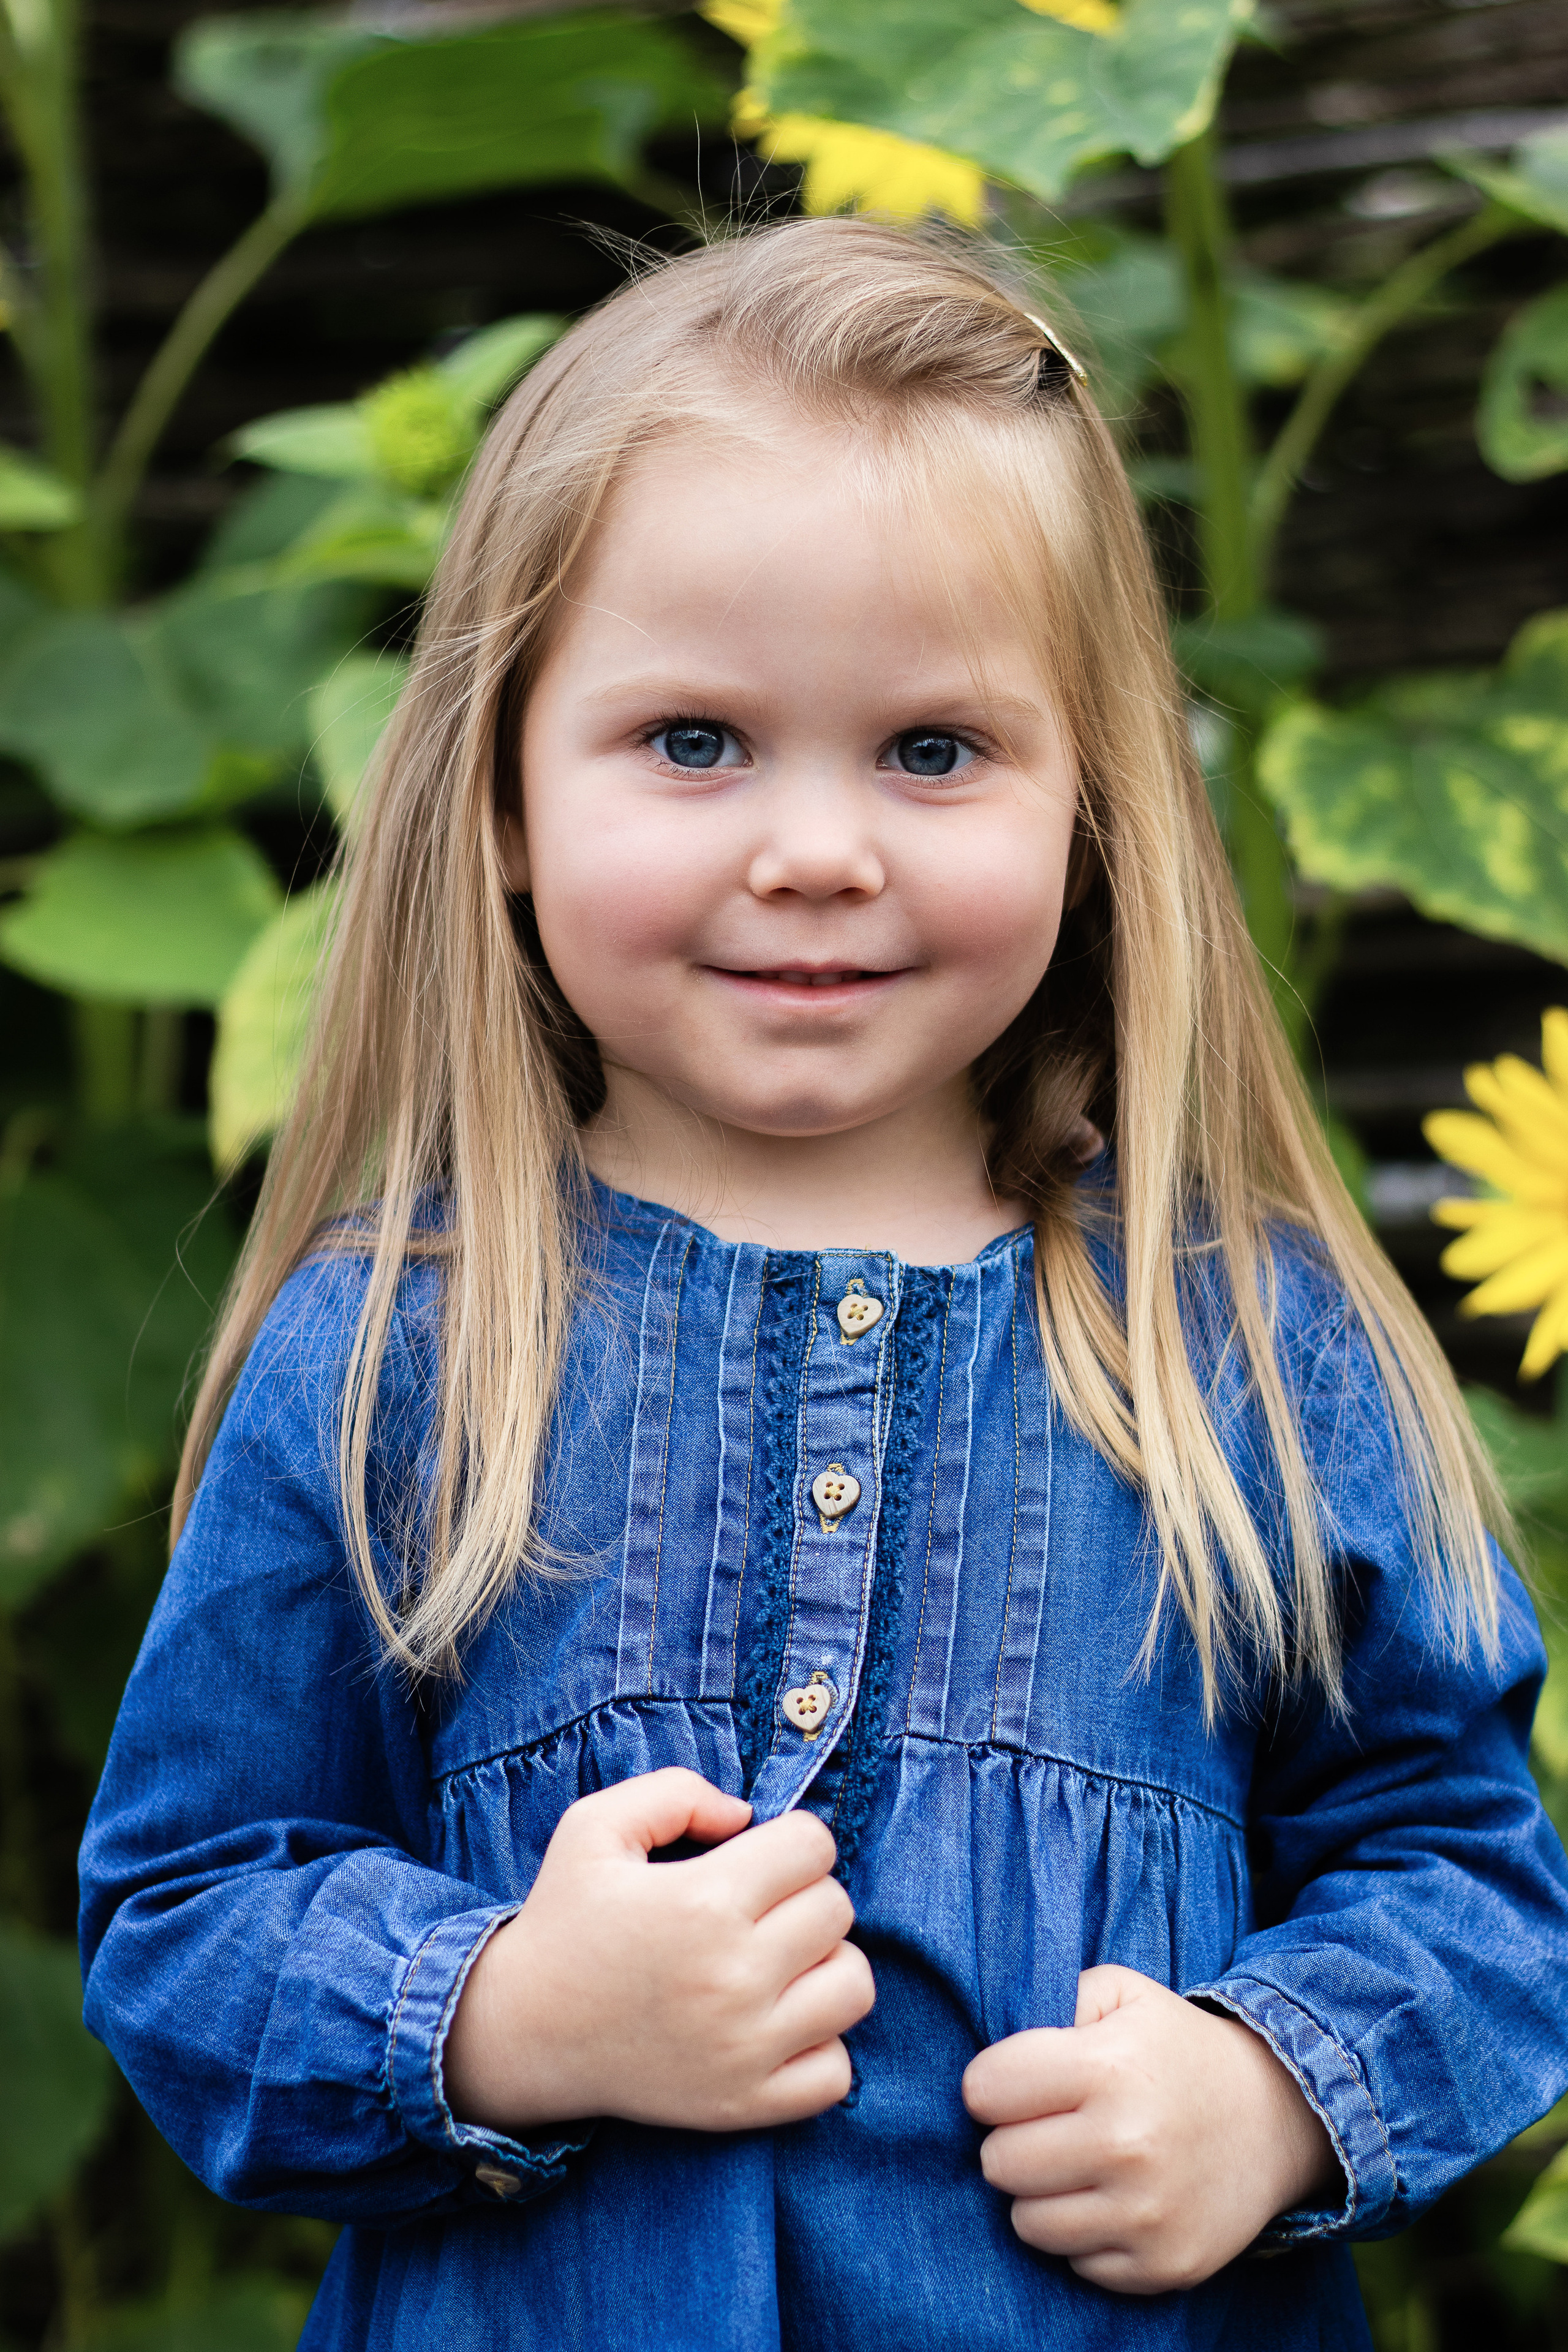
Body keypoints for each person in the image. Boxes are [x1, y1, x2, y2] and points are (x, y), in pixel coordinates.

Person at [80, 217, 1568, 2351]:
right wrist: (504, 2013)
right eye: (693, 740)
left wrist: (1276, 2089)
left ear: (1095, 806)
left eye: (934, 753)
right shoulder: (405, 1343)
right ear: (499, 787)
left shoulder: (1229, 1339)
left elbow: (1472, 1875)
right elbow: (183, 1912)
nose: (816, 849)